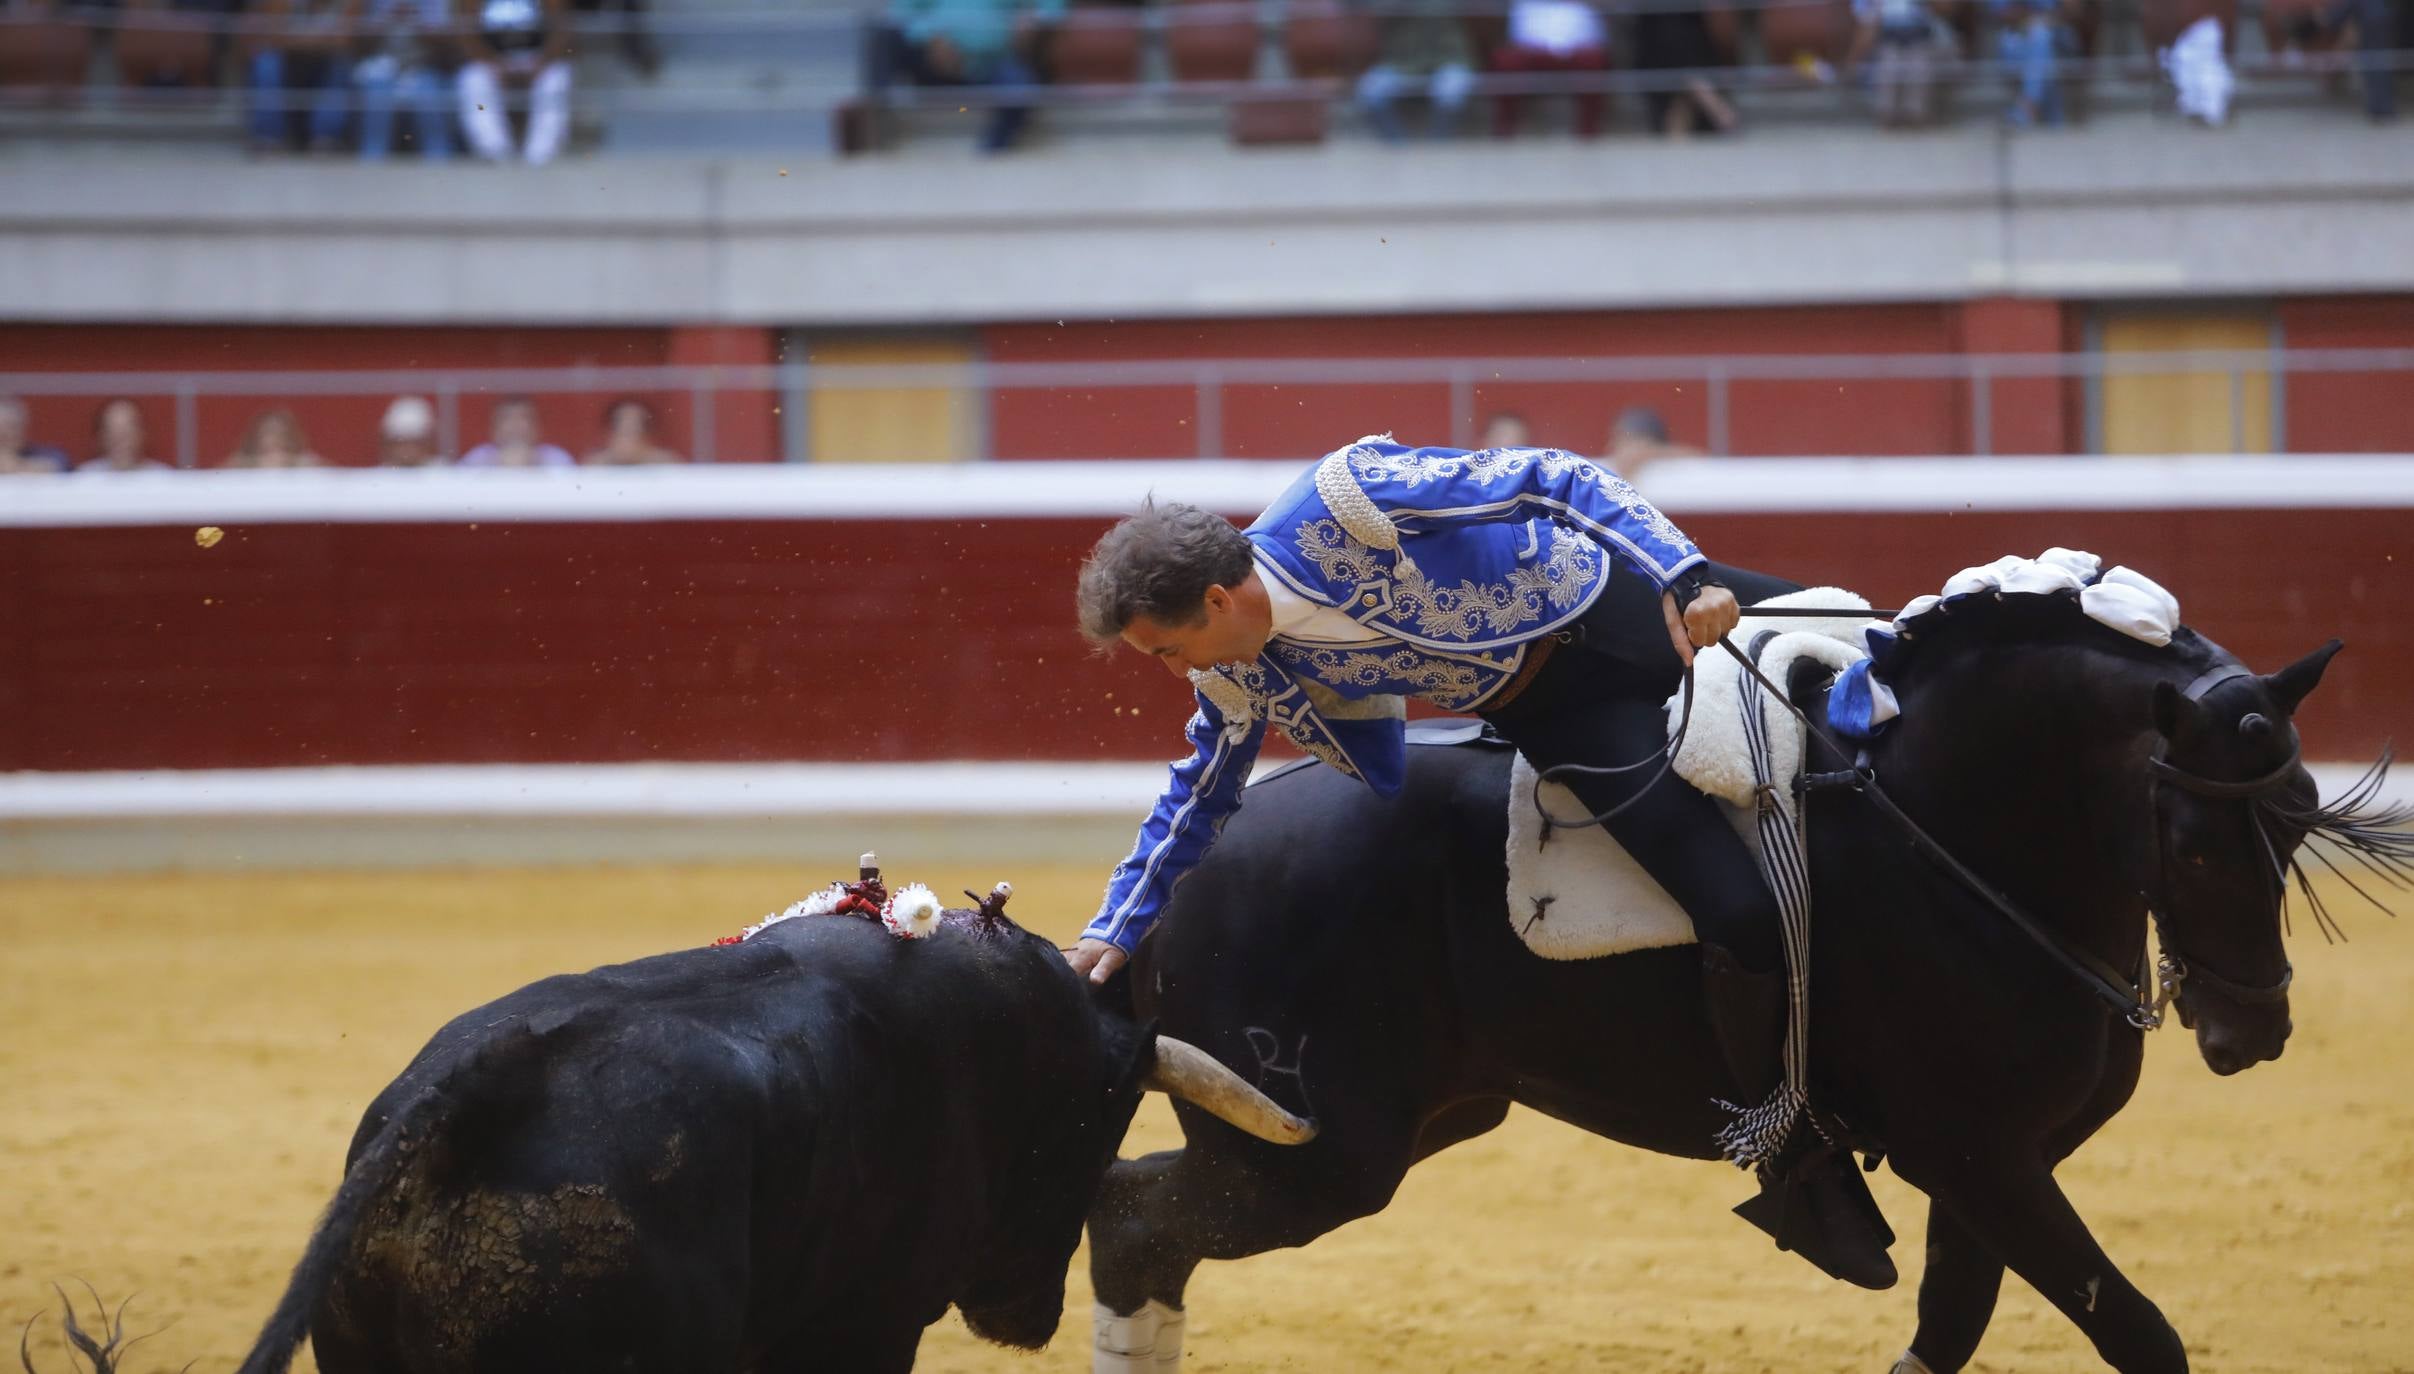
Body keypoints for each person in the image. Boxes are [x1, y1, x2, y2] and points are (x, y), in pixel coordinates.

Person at [1066, 437, 1892, 1287]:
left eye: (1169, 649)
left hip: (1635, 603)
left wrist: (1684, 575)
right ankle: (1795, 1156)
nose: (1181, 671)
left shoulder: (1348, 500)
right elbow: (1199, 794)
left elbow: (1552, 477)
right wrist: (1118, 927)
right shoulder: (1242, 672)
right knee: (1738, 910)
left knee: (1900, 666)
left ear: (1214, 599)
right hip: (1564, 713)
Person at [879, 0, 1061, 153]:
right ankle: (879, 123)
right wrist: (930, 36)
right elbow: (901, 11)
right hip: (932, 63)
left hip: (994, 62)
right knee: (882, 37)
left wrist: (1035, 17)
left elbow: (1051, 6)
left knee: (1020, 87)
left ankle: (993, 149)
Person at [458, 0, 575, 164]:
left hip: (538, 59)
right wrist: (494, 64)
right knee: (474, 79)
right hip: (492, 60)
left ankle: (541, 155)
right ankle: (495, 151)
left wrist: (540, 65)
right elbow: (466, 34)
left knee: (555, 80)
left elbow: (562, 30)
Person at [1354, 0, 1476, 142]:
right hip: (1401, 63)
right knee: (1370, 90)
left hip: (1447, 59)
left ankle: (1439, 146)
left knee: (1452, 91)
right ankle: (1397, 147)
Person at [247, 0, 359, 153]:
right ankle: (268, 138)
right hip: (288, 62)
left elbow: (343, 41)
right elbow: (274, 38)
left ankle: (325, 138)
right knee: (266, 62)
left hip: (324, 63)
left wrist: (298, 41)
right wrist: (319, 42)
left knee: (340, 64)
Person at [1488, 0, 1609, 138]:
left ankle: (1589, 132)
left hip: (1578, 51)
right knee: (1506, 61)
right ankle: (1505, 131)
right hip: (1531, 52)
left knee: (1592, 61)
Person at [354, 0, 458, 159]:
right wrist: (387, 20)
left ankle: (439, 160)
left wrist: (417, 23)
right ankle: (372, 159)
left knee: (429, 101)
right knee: (377, 101)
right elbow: (356, 43)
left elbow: (449, 46)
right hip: (380, 69)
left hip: (423, 68)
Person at [1631, 0, 1737, 137]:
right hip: (1660, 54)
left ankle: (1707, 99)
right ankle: (1716, 107)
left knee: (1684, 93)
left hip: (1691, 53)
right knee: (1671, 37)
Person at [1848, 0, 1951, 128]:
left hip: (1920, 41)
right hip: (1889, 42)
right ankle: (1888, 114)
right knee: (1888, 69)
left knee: (1919, 68)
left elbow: (1945, 11)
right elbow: (1868, 25)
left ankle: (1916, 114)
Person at [457, 396, 575, 468]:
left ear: (537, 428)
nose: (515, 425)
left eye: (523, 418)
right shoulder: (478, 458)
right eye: (507, 418)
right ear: (494, 429)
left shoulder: (556, 458)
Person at [584, 397, 685, 465]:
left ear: (648, 436)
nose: (627, 441)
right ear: (609, 434)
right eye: (623, 432)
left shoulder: (667, 465)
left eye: (635, 431)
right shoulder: (595, 466)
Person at [79, 398, 171, 471]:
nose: (121, 441)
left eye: (127, 432)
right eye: (113, 433)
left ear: (142, 434)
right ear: (100, 436)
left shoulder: (163, 479)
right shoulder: (83, 479)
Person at [227, 408, 327, 468]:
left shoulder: (305, 461)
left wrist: (293, 463)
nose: (274, 439)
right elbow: (214, 481)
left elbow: (336, 479)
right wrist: (250, 464)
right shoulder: (241, 463)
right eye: (268, 432)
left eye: (280, 434)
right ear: (255, 439)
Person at [0, 396, 69, 474]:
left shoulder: (48, 454)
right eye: (1, 428)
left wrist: (17, 465)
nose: (5, 434)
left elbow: (59, 465)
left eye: (11, 427)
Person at [376, 395, 451, 465]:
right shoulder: (377, 477)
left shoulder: (446, 475)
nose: (408, 449)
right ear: (389, 445)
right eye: (402, 442)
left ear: (428, 443)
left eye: (415, 442)